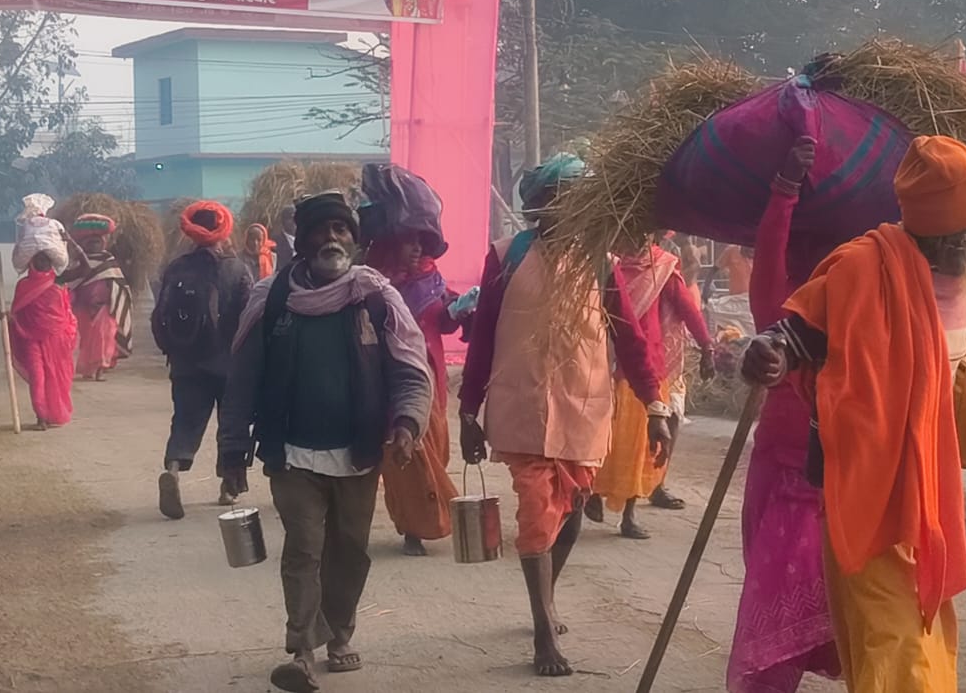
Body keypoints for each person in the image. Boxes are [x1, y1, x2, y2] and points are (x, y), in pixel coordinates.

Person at [741, 135, 966, 692]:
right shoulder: (862, 269)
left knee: (923, 630)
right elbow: (795, 333)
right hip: (866, 495)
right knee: (895, 641)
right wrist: (769, 353)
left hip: (928, 496)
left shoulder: (962, 285)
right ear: (938, 229)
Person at [458, 154, 668, 678]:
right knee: (535, 512)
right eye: (568, 194)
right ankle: (543, 628)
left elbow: (630, 339)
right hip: (521, 408)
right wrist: (466, 409)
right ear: (544, 203)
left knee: (570, 517)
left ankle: (546, 597)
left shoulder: (601, 261)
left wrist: (656, 405)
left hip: (584, 409)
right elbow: (483, 334)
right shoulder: (506, 256)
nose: (577, 204)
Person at [217, 192, 433, 693]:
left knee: (350, 550)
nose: (333, 238)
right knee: (304, 548)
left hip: (359, 454)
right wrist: (232, 451)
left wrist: (406, 422)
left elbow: (409, 370)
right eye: (323, 230)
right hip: (291, 454)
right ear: (302, 241)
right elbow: (242, 382)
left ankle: (339, 632)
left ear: (354, 240)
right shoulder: (271, 299)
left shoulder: (377, 297)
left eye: (342, 230)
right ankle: (301, 650)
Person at [727, 136, 843, 693]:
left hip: (855, 473)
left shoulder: (879, 296)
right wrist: (786, 187)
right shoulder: (787, 303)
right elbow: (770, 259)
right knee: (775, 600)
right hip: (789, 467)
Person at [587, 235, 715, 537]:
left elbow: (688, 310)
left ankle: (628, 514)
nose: (639, 237)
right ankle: (590, 492)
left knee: (638, 446)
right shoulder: (604, 265)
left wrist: (707, 346)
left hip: (646, 368)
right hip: (603, 362)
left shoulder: (662, 268)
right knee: (598, 437)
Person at [151, 202, 254, 520]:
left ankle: (173, 469)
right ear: (225, 231)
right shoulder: (236, 270)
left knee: (185, 421)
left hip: (185, 363)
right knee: (232, 424)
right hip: (228, 363)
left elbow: (161, 315)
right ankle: (229, 485)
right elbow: (250, 316)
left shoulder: (176, 267)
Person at [363, 226, 461, 557]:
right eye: (409, 243)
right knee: (408, 454)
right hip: (393, 379)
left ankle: (430, 516)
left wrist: (460, 310)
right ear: (392, 247)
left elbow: (444, 322)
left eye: (421, 244)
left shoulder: (433, 280)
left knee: (437, 451)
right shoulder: (375, 285)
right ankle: (412, 528)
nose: (417, 250)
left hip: (432, 379)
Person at [9, 251, 78, 429]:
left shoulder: (58, 281)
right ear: (32, 262)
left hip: (57, 339)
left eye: (47, 259)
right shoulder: (23, 285)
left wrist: (72, 243)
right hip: (30, 338)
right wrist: (7, 317)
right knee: (38, 377)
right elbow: (17, 311)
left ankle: (53, 413)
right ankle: (41, 416)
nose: (43, 262)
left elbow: (86, 268)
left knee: (56, 377)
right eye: (40, 259)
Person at [61, 214, 133, 382]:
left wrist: (113, 300)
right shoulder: (78, 262)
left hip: (105, 308)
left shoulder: (109, 260)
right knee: (86, 341)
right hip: (82, 308)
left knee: (105, 338)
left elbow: (117, 284)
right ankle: (88, 370)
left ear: (103, 243)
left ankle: (100, 370)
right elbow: (72, 283)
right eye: (90, 242)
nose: (94, 245)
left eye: (97, 242)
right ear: (84, 245)